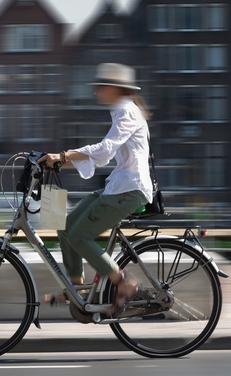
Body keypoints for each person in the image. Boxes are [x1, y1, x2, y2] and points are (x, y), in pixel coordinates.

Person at [38, 62, 152, 316]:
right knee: (66, 227)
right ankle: (76, 288)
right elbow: (104, 155)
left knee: (79, 236)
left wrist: (64, 155)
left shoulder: (127, 112)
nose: (96, 92)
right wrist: (58, 160)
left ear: (115, 88)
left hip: (128, 190)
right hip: (118, 186)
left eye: (100, 87)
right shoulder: (121, 110)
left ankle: (124, 282)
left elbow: (105, 149)